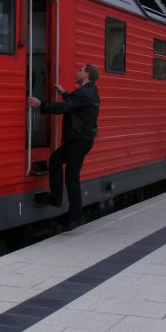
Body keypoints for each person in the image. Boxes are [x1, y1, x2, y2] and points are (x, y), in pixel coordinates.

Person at [27, 64, 100, 231]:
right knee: (55, 160)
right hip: (79, 140)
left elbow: (63, 108)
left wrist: (40, 104)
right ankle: (56, 198)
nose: (77, 72)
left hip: (79, 141)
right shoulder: (89, 91)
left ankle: (76, 217)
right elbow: (75, 103)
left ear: (86, 74)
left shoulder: (84, 93)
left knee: (72, 177)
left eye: (80, 71)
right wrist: (64, 93)